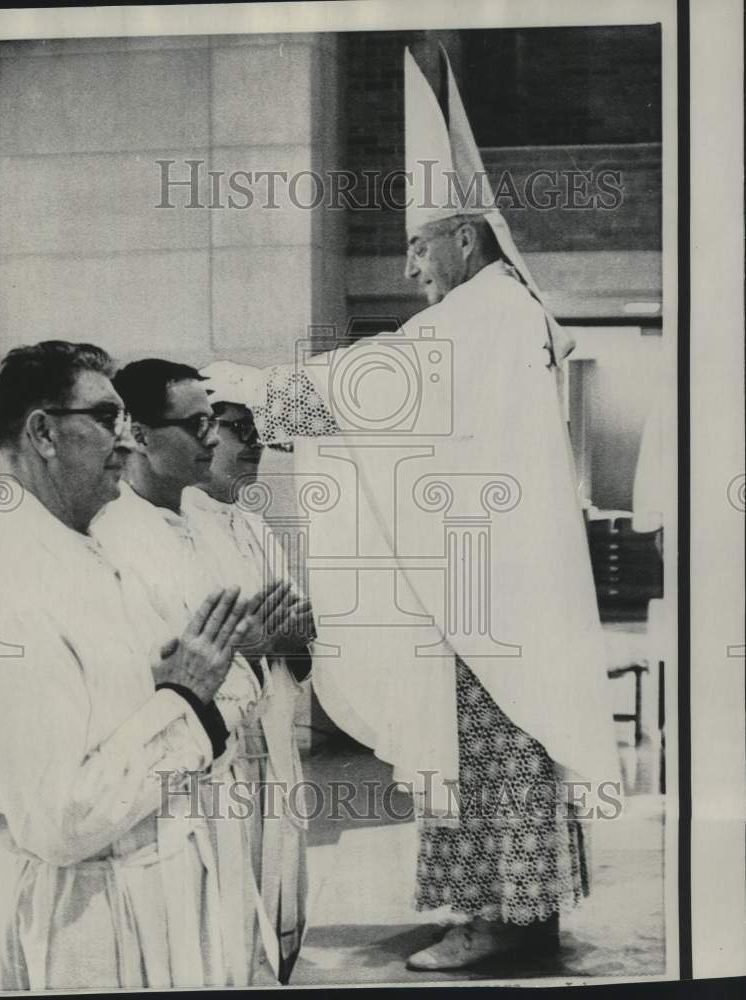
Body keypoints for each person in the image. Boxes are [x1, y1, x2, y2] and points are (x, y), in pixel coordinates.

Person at [201, 48, 619, 971]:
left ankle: (491, 921)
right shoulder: (505, 314)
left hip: (487, 599)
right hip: (497, 582)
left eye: (422, 246)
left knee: (480, 746)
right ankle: (513, 913)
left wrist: (244, 392)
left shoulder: (486, 315)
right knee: (496, 746)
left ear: (467, 238)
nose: (412, 264)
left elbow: (372, 385)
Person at [0, 341, 258, 991]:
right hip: (82, 925)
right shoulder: (10, 592)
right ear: (43, 433)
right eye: (108, 419)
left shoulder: (87, 548)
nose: (126, 441)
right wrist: (185, 705)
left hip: (143, 890)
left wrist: (175, 693)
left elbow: (134, 713)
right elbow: (60, 818)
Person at [91, 359, 303, 985]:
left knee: (245, 924)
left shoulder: (200, 522)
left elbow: (246, 638)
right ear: (139, 435)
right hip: (171, 782)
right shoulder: (117, 536)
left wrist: (278, 642)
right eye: (200, 424)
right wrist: (250, 650)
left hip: (238, 757)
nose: (214, 439)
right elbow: (155, 677)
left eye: (218, 424)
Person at [184, 398, 316, 981]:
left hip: (276, 729)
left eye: (260, 430)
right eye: (240, 429)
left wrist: (289, 635)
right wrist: (254, 640)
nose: (255, 442)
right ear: (203, 435)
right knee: (230, 898)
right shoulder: (178, 524)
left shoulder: (255, 523)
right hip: (224, 746)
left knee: (282, 868)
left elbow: (291, 627)